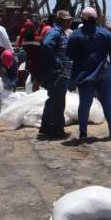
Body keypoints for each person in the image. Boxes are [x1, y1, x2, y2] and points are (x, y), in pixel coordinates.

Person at [67, 7, 111, 140]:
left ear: (82, 19)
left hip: (84, 76)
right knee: (107, 102)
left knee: (85, 104)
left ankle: (83, 132)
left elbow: (69, 55)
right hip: (104, 73)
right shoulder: (105, 33)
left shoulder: (75, 35)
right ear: (96, 18)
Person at [38, 10, 75, 139]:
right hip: (58, 74)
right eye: (67, 20)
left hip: (61, 73)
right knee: (58, 101)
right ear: (61, 21)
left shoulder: (60, 32)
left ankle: (46, 127)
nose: (70, 22)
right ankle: (57, 129)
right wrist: (56, 64)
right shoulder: (55, 32)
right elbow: (47, 46)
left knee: (53, 100)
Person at [17, 15, 43, 92]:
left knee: (34, 79)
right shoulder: (39, 39)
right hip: (38, 62)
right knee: (36, 81)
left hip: (29, 62)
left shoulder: (25, 42)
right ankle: (36, 95)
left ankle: (33, 94)